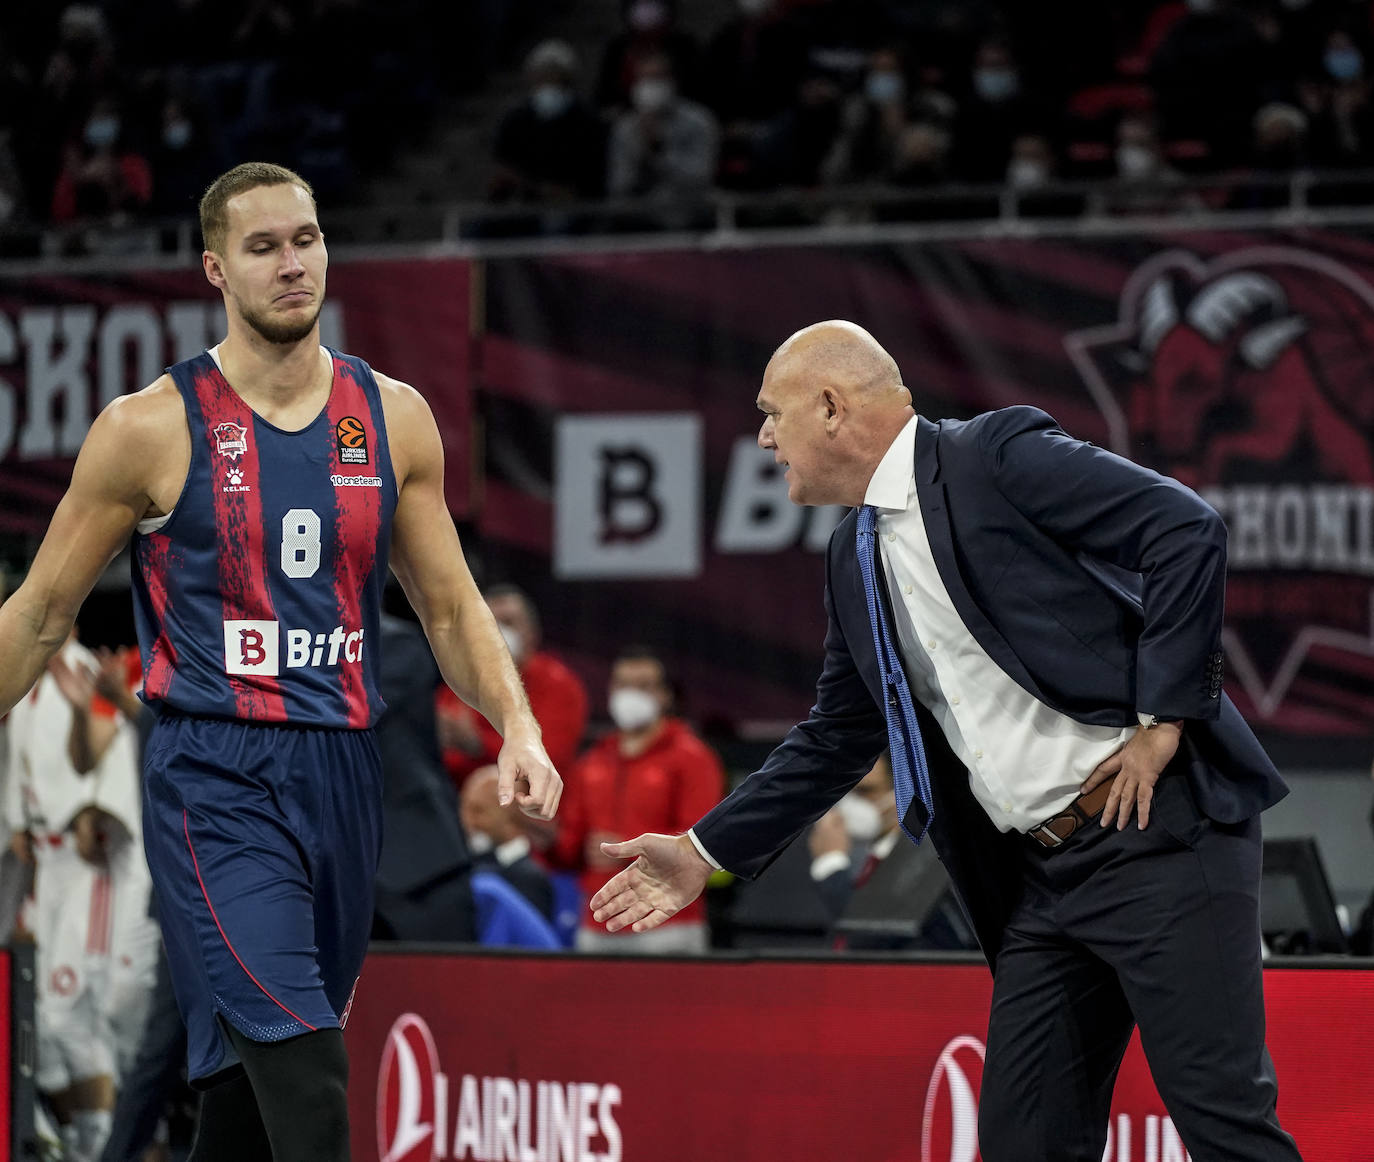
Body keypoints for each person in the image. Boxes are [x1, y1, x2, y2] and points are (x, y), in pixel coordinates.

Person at [591, 320, 1303, 1160]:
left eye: (772, 413)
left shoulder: (993, 456)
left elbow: (1185, 528)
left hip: (1160, 838)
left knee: (1226, 1130)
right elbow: (836, 734)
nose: (764, 438)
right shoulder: (851, 555)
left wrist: (1163, 719)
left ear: (830, 407)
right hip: (1041, 881)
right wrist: (702, 850)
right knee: (1022, 1145)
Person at [0, 161, 561, 1162]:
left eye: (305, 239)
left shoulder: (392, 416)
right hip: (214, 773)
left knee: (247, 1101)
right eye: (263, 247)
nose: (292, 263)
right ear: (216, 269)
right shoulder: (147, 427)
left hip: (344, 767)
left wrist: (516, 722)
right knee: (307, 1066)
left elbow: (448, 608)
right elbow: (42, 613)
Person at [7, 632, 158, 1162]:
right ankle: (96, 1135)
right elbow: (81, 757)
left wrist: (91, 810)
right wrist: (19, 819)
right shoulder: (35, 669)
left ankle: (130, 1131)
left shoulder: (132, 668)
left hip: (113, 856)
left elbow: (101, 764)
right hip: (55, 859)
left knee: (102, 1004)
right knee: (52, 1014)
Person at [557, 647, 724, 954]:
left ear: (665, 695)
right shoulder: (592, 761)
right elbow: (569, 848)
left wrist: (624, 848)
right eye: (623, 684)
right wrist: (540, 833)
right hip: (597, 925)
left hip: (668, 924)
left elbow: (703, 841)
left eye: (643, 685)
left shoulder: (692, 758)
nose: (630, 694)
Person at [807, 752, 972, 951]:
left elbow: (871, 935)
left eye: (865, 792)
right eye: (844, 791)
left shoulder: (933, 857)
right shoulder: (860, 861)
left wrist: (829, 863)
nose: (850, 804)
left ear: (904, 792)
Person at [436, 583, 589, 787]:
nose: (499, 632)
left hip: (528, 802)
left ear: (532, 632)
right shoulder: (460, 681)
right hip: (458, 797)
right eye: (490, 623)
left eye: (508, 622)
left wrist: (478, 744)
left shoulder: (559, 686)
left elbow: (549, 758)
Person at [462, 764, 555, 922]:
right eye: (465, 809)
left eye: (479, 811)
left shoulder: (530, 880)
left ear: (512, 813)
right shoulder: (469, 865)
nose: (468, 821)